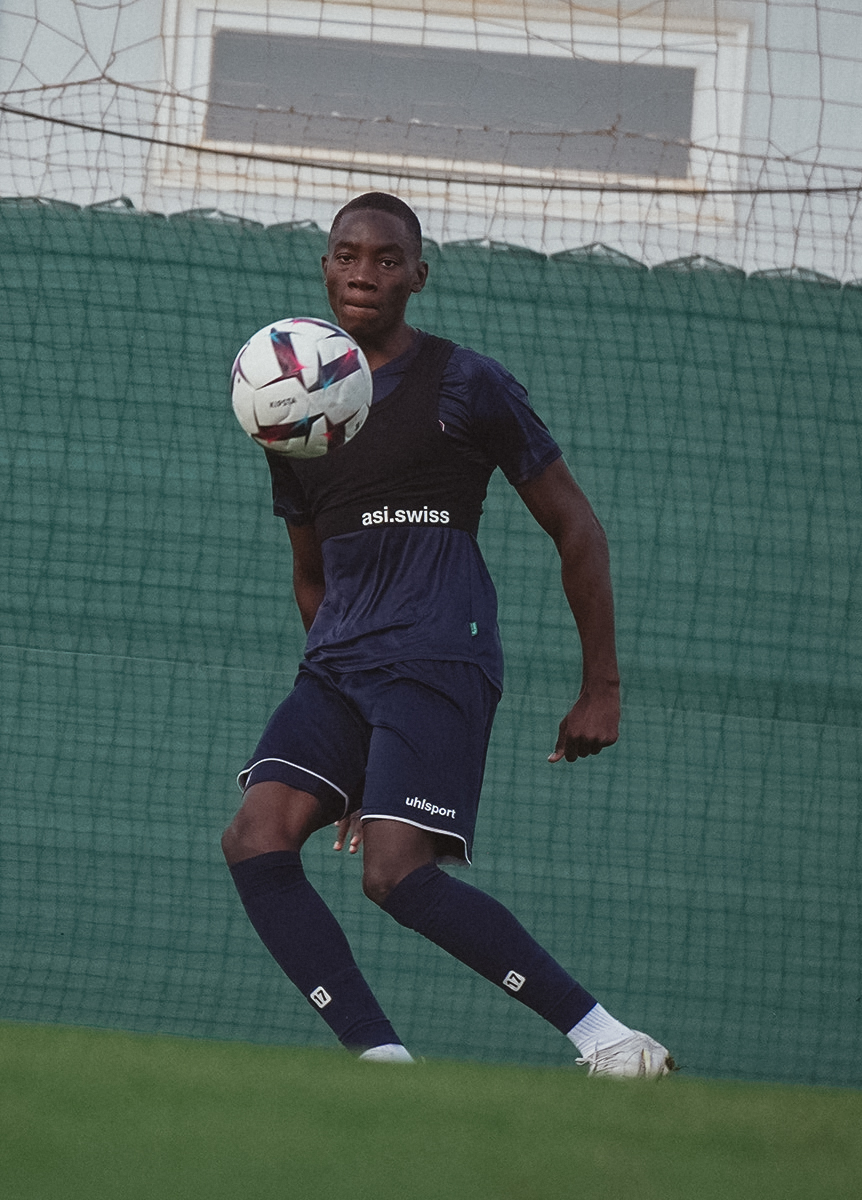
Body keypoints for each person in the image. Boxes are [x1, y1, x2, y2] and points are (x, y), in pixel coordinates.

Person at [221, 192, 674, 1078]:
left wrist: (602, 685)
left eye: (386, 259)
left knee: (395, 875)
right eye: (347, 254)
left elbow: (577, 527)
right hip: (339, 666)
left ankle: (609, 1041)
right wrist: (350, 762)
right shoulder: (286, 405)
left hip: (437, 650)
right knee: (255, 836)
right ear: (324, 266)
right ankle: (380, 1062)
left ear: (418, 276)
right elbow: (310, 576)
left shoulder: (468, 383)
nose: (363, 272)